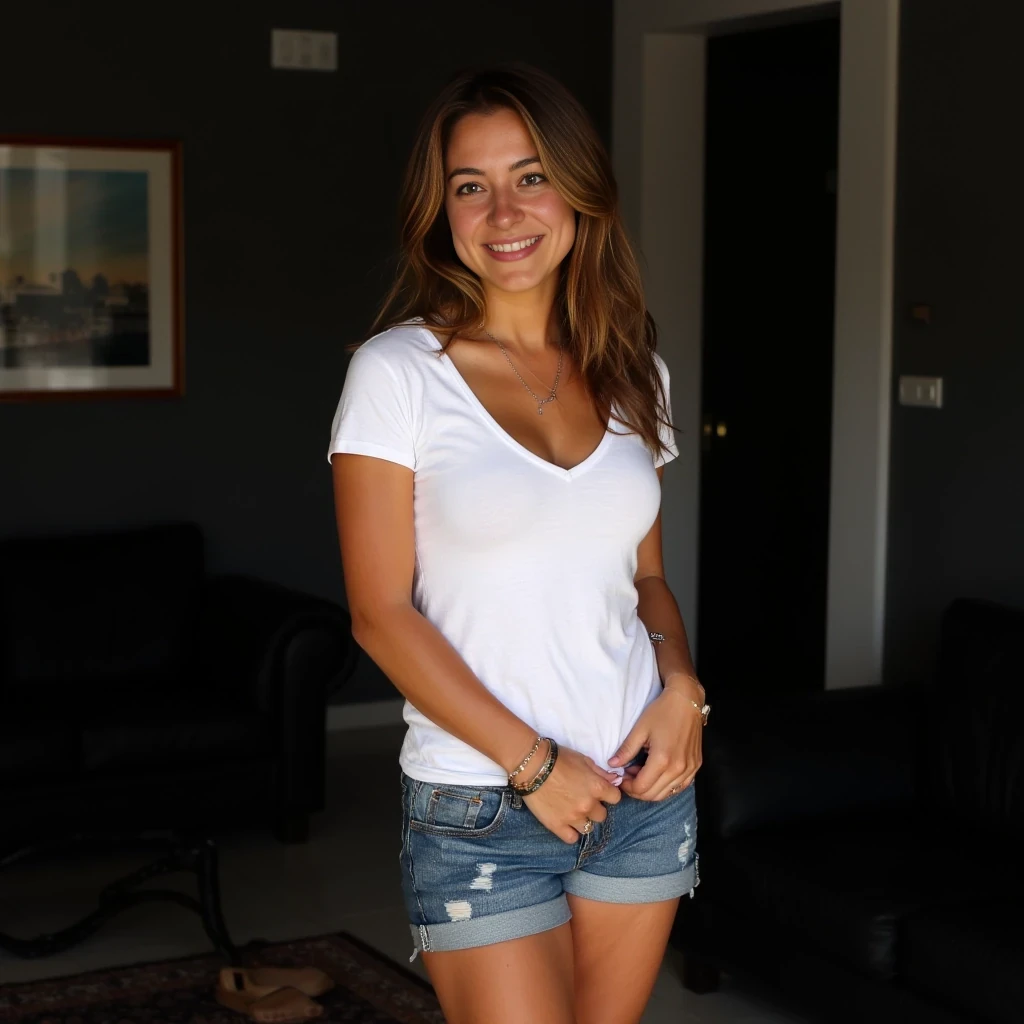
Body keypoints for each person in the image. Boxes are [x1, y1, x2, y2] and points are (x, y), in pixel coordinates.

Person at [328, 63, 709, 1024]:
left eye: (531, 176)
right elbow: (379, 614)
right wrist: (534, 765)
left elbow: (647, 580)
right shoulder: (398, 372)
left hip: (639, 788)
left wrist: (683, 690)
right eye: (472, 186)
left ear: (580, 194)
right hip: (482, 803)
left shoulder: (634, 370)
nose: (504, 211)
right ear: (442, 210)